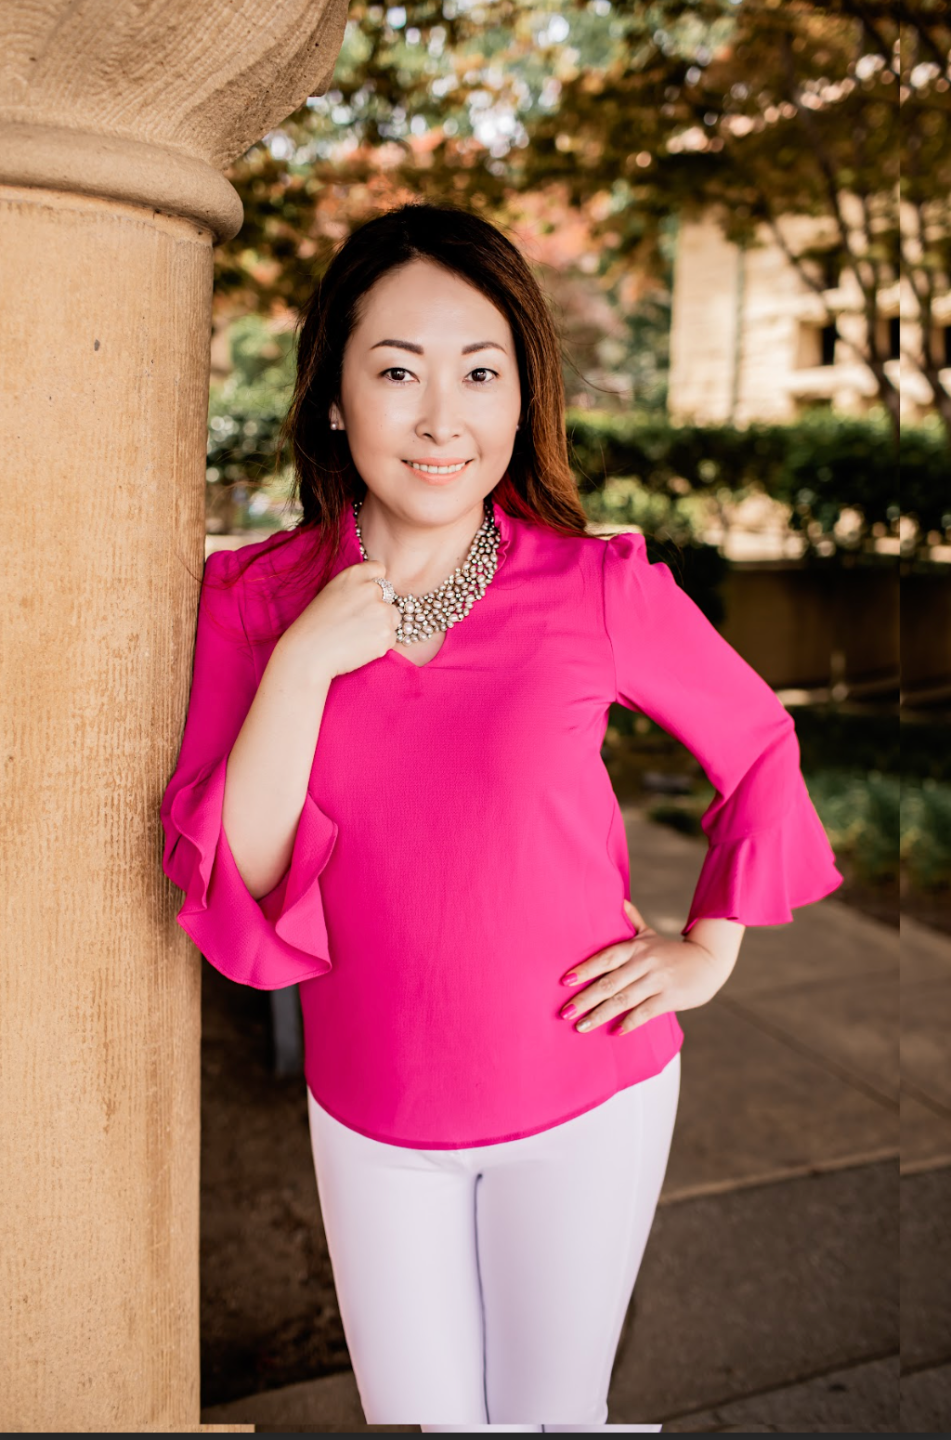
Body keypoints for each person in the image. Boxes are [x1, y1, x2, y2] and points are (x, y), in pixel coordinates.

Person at [160, 202, 845, 1430]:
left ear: (523, 398)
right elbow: (242, 873)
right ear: (333, 398)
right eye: (397, 372)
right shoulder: (256, 602)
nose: (443, 419)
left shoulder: (595, 586)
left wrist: (708, 951)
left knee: (553, 1417)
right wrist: (303, 664)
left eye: (481, 373)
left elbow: (761, 746)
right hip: (373, 1110)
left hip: (589, 1092)